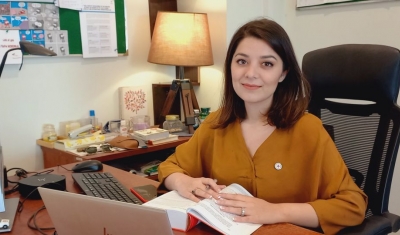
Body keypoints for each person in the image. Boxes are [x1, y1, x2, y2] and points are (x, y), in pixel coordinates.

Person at [157, 18, 367, 234]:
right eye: (241, 61)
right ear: (230, 66)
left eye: (267, 64)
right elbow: (170, 167)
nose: (250, 73)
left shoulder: (309, 130)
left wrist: (276, 211)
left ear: (283, 73)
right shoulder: (216, 123)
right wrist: (182, 182)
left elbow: (352, 205)